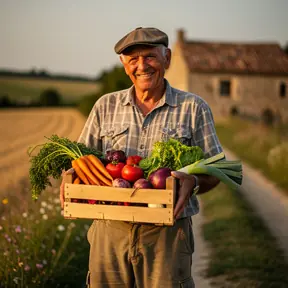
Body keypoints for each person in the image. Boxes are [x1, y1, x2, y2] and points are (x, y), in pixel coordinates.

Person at [60, 27, 223, 288]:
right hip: (109, 228)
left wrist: (193, 181)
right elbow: (79, 160)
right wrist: (69, 179)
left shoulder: (193, 107)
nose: (141, 66)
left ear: (167, 58)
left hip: (167, 235)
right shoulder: (105, 106)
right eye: (132, 59)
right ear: (124, 65)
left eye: (149, 56)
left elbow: (218, 169)